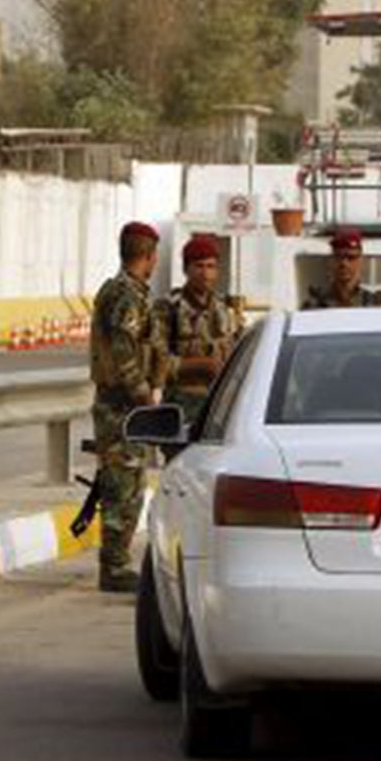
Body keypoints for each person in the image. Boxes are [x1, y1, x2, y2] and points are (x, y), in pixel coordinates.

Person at [90, 221, 161, 595]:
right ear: (149, 255)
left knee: (130, 485)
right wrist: (142, 392)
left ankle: (117, 562)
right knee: (122, 487)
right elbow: (122, 348)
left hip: (122, 405)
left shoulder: (122, 291)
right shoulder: (126, 295)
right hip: (121, 407)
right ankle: (114, 566)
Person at [152, 233, 244, 432]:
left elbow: (240, 352)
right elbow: (153, 361)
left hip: (220, 405)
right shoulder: (168, 308)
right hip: (183, 403)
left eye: (211, 267)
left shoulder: (225, 309)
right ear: (186, 269)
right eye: (199, 266)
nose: (206, 274)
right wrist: (195, 366)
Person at [302, 228, 381, 309]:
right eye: (338, 257)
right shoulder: (315, 306)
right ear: (330, 261)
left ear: (360, 261)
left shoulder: (375, 304)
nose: (344, 263)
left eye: (351, 258)